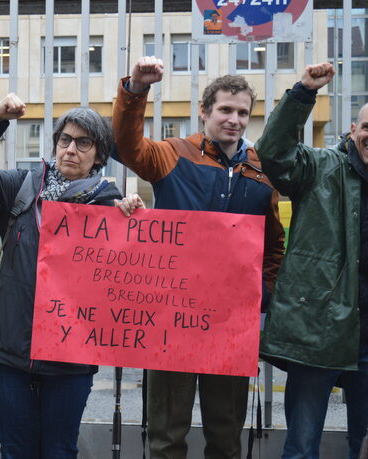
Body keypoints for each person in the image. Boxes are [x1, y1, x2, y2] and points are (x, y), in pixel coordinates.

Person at [0, 93, 142, 458]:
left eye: (84, 142)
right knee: (16, 449)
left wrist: (128, 223)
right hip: (8, 351)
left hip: (70, 357)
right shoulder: (21, 185)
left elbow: (124, 280)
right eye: (64, 139)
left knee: (59, 451)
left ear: (99, 155)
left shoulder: (109, 207)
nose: (71, 149)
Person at [112, 56, 285, 459]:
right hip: (173, 319)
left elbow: (274, 244)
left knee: (226, 440)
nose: (235, 120)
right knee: (166, 438)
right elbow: (126, 145)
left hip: (231, 325)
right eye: (225, 109)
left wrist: (262, 292)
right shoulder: (174, 154)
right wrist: (135, 89)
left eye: (243, 112)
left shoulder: (261, 171)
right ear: (205, 111)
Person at [256, 62, 368, 459]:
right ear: (353, 131)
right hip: (315, 332)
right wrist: (302, 93)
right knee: (301, 448)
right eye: (367, 126)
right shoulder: (321, 168)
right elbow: (272, 153)